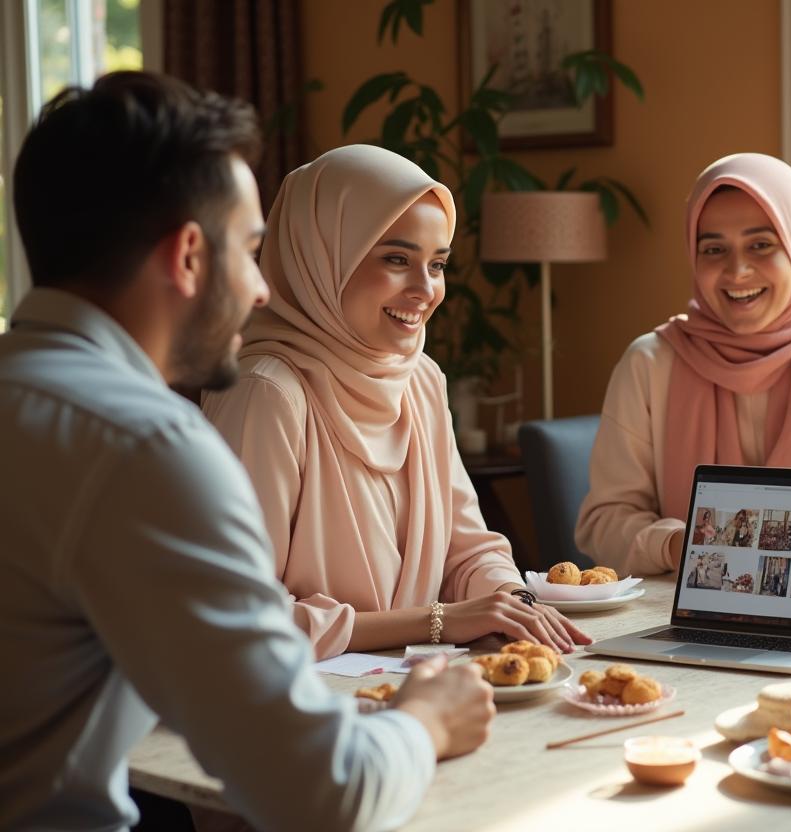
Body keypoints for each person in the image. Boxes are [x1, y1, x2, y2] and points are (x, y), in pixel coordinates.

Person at [0, 73, 494, 831]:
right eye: (251, 250)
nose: (264, 289)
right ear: (188, 256)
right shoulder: (148, 450)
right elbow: (324, 790)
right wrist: (426, 718)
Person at [202, 144, 589, 660]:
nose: (426, 290)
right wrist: (439, 622)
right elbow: (237, 616)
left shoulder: (420, 380)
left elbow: (468, 550)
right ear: (324, 257)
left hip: (417, 684)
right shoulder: (267, 394)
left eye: (438, 264)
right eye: (397, 259)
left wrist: (512, 603)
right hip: (304, 696)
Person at [576, 153, 791, 576]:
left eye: (761, 245)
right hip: (682, 603)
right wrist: (678, 545)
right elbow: (605, 522)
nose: (737, 270)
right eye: (714, 249)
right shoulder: (650, 364)